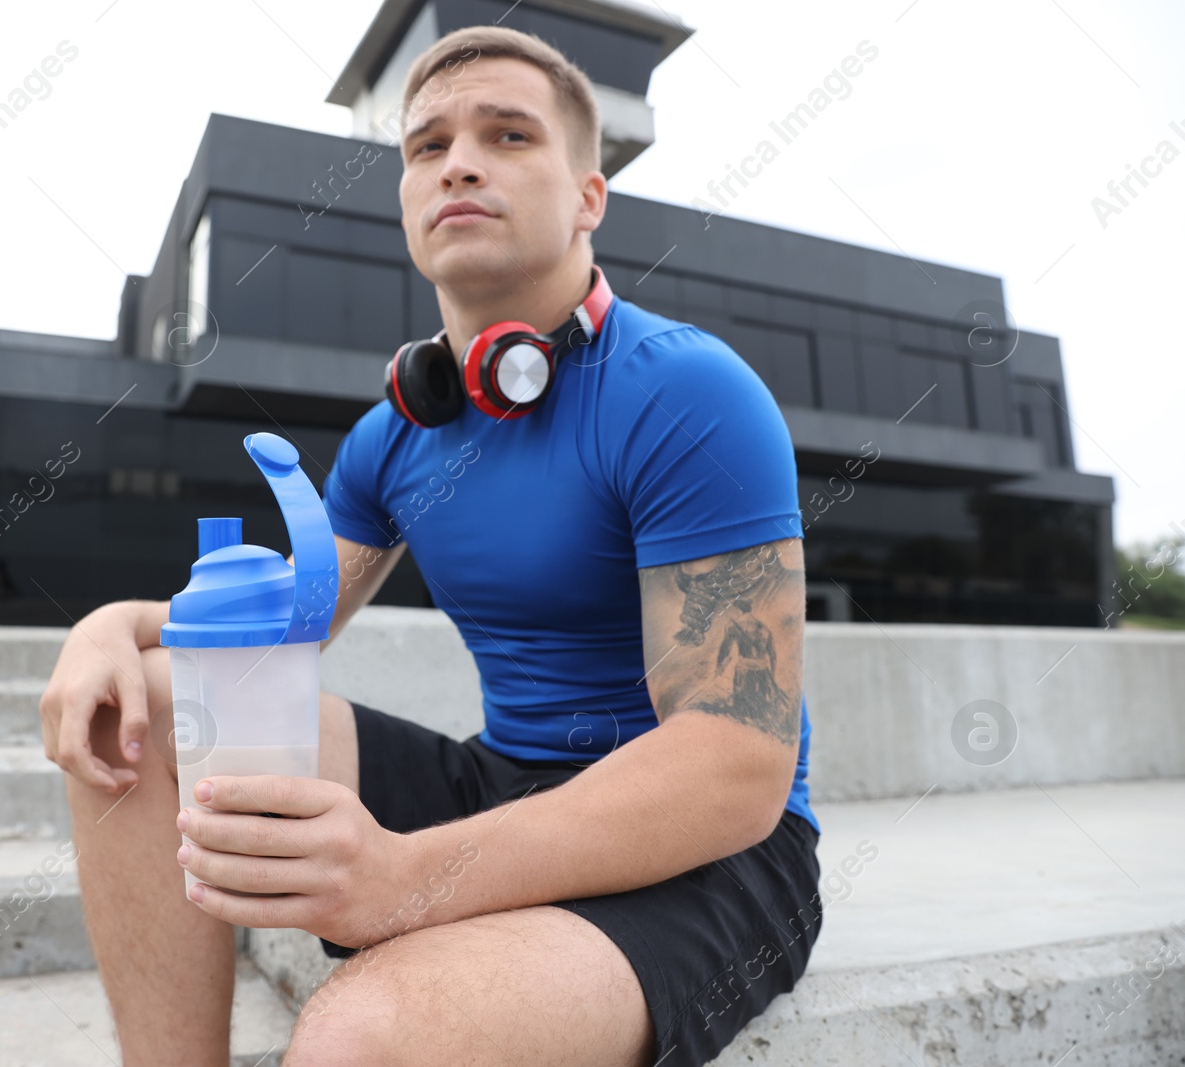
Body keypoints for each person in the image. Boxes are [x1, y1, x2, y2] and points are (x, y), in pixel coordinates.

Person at [40, 24, 822, 1067]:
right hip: (502, 779)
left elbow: (734, 766)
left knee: (359, 1036)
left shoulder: (686, 392)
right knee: (143, 702)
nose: (458, 160)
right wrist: (108, 627)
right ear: (407, 195)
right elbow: (286, 622)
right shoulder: (395, 437)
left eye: (507, 134)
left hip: (712, 849)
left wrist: (407, 877)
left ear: (589, 196)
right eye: (426, 146)